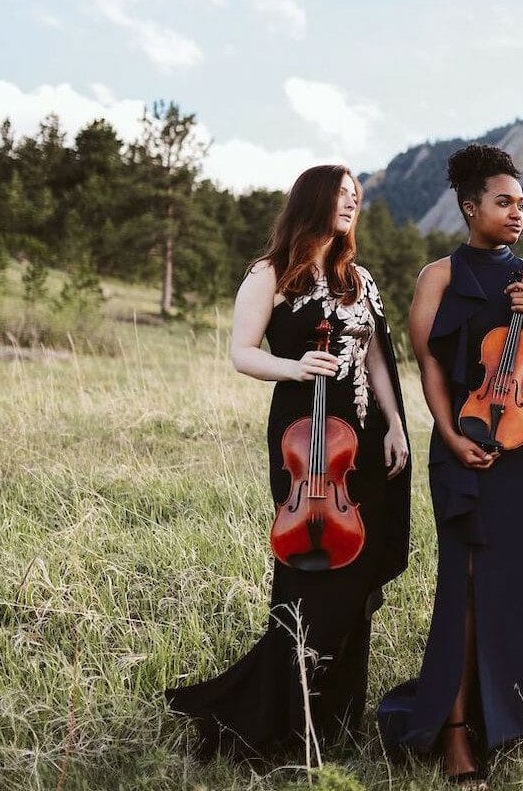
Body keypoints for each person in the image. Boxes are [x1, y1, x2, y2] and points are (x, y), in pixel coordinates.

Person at [165, 164, 412, 764]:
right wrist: (296, 367)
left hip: (365, 442)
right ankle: (277, 713)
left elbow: (377, 358)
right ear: (314, 200)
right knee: (313, 572)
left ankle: (334, 716)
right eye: (342, 195)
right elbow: (242, 353)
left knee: (358, 578)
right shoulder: (270, 273)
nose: (352, 204)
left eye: (358, 197)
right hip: (306, 441)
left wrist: (398, 424)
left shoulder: (358, 279)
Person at [377, 144, 523, 787]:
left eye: (522, 202)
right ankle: (457, 729)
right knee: (461, 585)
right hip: (462, 441)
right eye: (503, 201)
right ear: (470, 207)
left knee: (519, 582)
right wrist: (448, 434)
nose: (518, 212)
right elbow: (429, 364)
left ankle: (506, 718)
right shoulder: (437, 276)